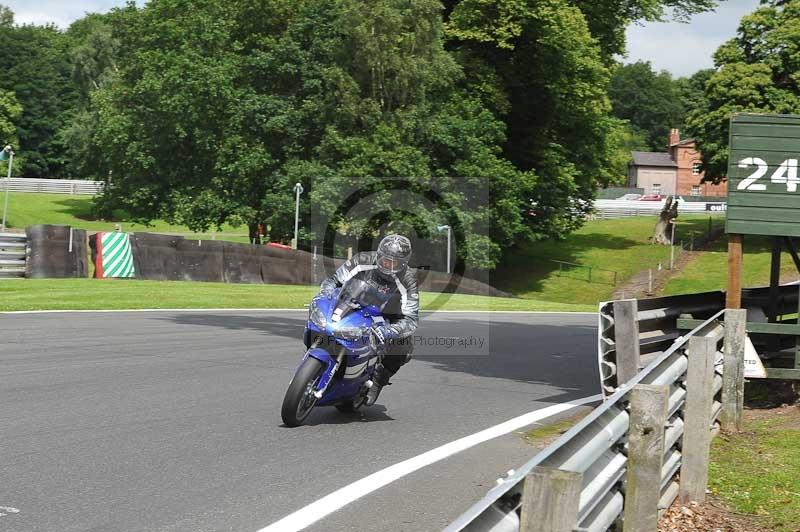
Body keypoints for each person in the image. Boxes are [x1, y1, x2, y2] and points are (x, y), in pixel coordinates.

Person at [318, 234, 419, 405]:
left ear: (404, 263)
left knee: (405, 344)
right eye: (386, 260)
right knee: (324, 319)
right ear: (379, 255)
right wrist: (325, 294)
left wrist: (389, 331)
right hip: (354, 302)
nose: (389, 265)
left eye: (396, 263)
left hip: (386, 316)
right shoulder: (362, 260)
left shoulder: (408, 280)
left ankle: (378, 379)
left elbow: (410, 319)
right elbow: (334, 281)